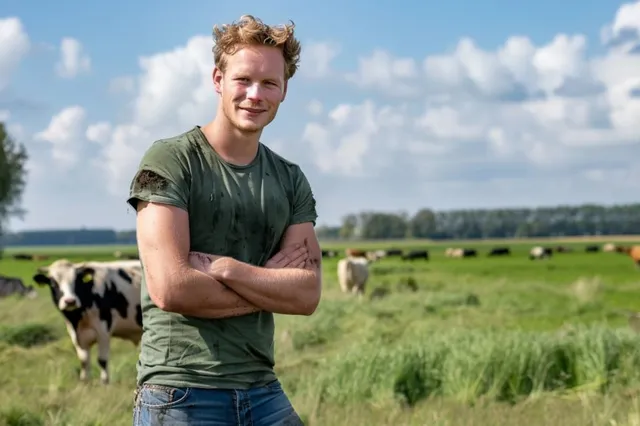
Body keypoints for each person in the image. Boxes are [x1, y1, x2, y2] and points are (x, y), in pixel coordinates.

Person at [126, 14, 322, 426]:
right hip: (180, 389)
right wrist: (269, 285)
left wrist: (225, 269)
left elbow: (306, 295)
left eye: (270, 83)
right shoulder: (171, 161)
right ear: (218, 80)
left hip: (262, 386)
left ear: (285, 90)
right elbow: (171, 288)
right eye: (243, 80)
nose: (255, 94)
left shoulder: (289, 179)